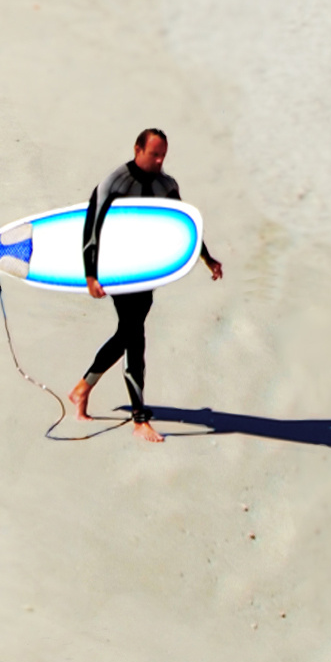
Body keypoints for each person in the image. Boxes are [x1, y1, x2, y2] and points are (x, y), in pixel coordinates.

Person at [72, 128, 222, 442]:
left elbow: (184, 227)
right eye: (154, 154)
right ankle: (139, 417)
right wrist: (90, 274)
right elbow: (91, 227)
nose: (159, 160)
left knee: (127, 331)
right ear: (137, 149)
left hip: (146, 272)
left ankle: (83, 388)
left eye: (163, 155)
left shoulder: (166, 185)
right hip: (116, 269)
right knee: (134, 334)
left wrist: (205, 257)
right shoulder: (115, 181)